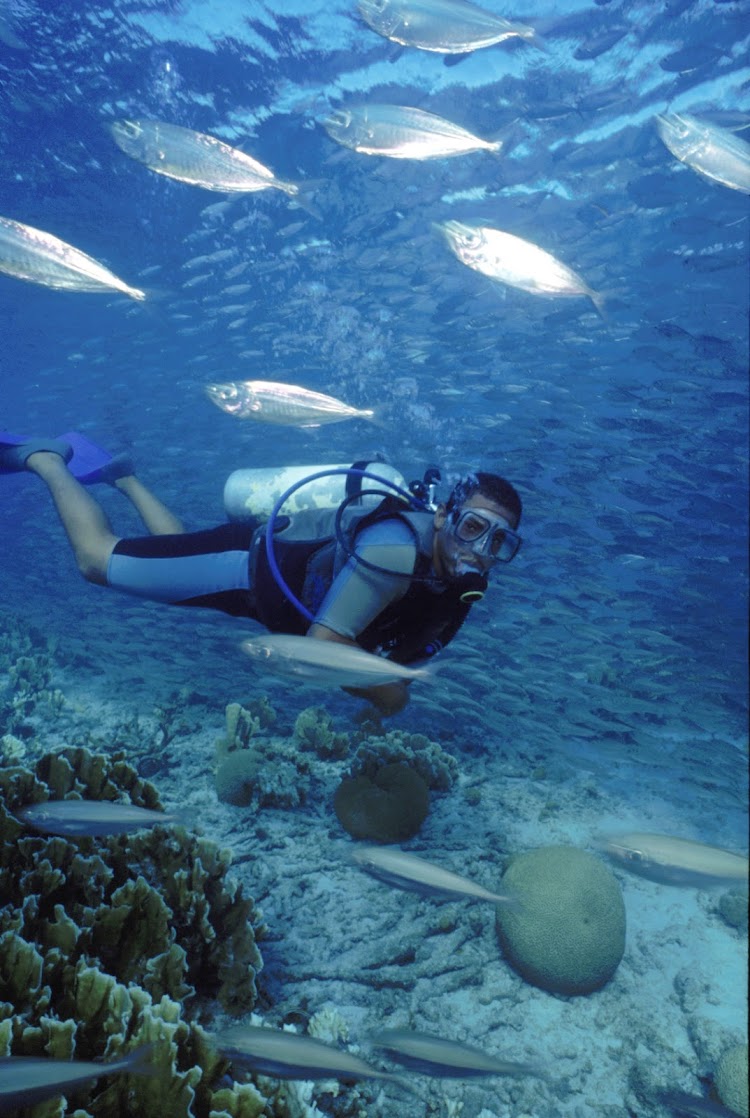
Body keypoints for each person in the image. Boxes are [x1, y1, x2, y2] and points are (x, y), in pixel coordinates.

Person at [1, 435, 522, 716]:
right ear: (442, 517)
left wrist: (389, 679)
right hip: (244, 569)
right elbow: (322, 647)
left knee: (168, 551)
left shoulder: (459, 579)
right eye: (472, 527)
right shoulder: (392, 553)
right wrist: (389, 692)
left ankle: (125, 478)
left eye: (499, 541)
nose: (480, 550)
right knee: (97, 560)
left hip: (266, 595)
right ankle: (46, 460)